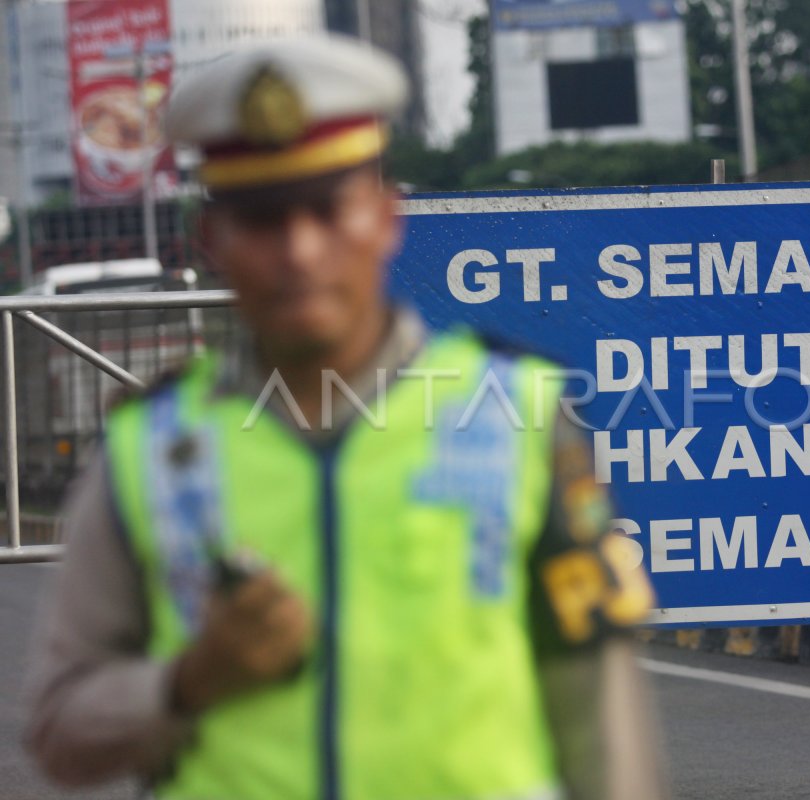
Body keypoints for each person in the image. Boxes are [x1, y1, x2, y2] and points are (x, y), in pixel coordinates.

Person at [25, 35, 666, 800]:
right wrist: (190, 681)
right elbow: (57, 732)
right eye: (262, 219)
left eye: (328, 210)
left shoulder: (518, 417)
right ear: (213, 243)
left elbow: (600, 720)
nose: (299, 250)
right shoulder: (151, 452)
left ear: (386, 217)